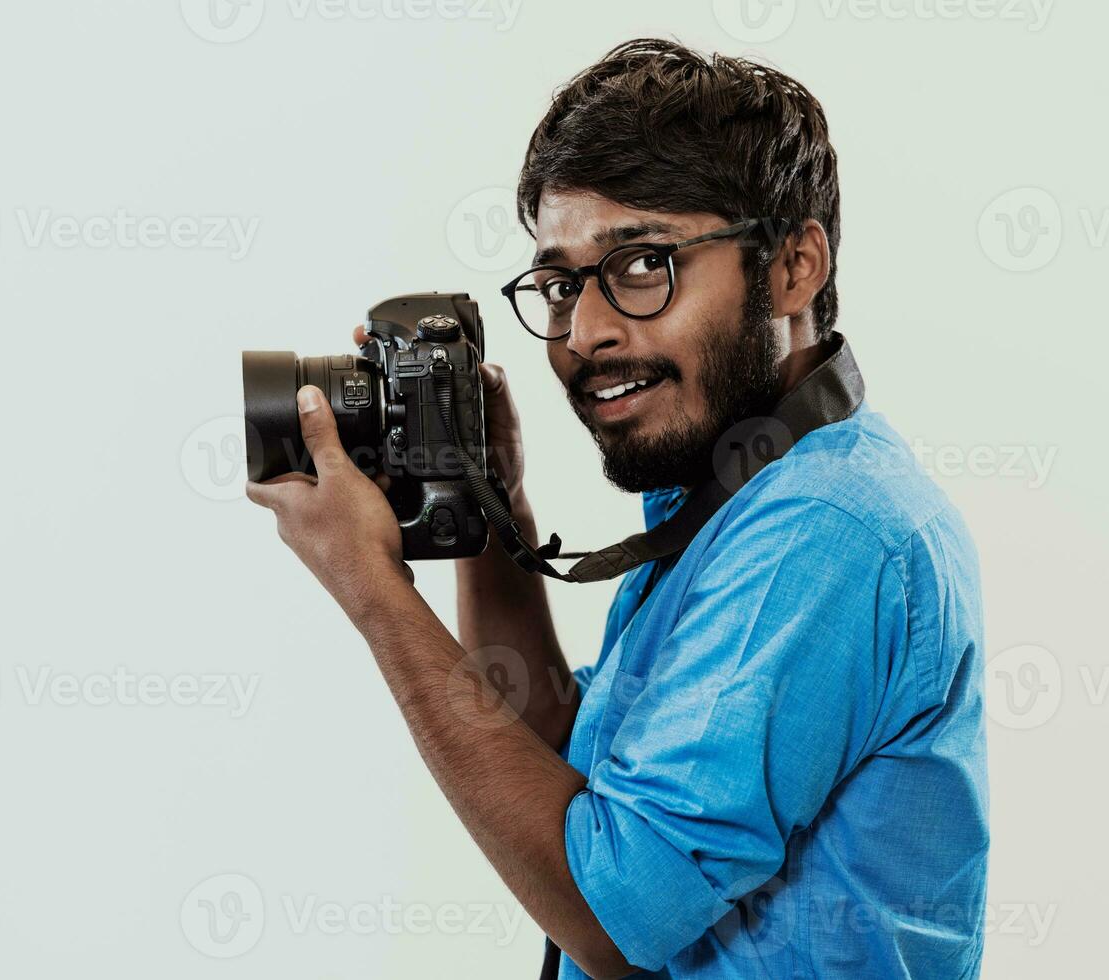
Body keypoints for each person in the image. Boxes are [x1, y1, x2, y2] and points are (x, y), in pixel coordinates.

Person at [247, 38, 988, 979]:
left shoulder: (824, 531)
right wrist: (490, 511)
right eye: (559, 284)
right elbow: (568, 762)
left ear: (793, 266)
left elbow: (610, 909)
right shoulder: (734, 495)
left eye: (642, 265)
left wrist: (370, 587)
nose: (585, 331)